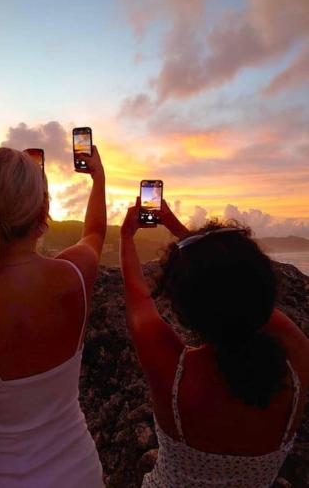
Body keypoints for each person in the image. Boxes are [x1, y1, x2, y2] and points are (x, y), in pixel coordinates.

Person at [0, 146, 106, 488]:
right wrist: (98, 178)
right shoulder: (75, 274)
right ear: (42, 208)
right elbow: (95, 233)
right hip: (81, 473)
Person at [120, 198, 309, 487]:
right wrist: (182, 233)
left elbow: (138, 298)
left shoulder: (176, 377)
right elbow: (239, 291)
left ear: (184, 310)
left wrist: (126, 237)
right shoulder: (298, 361)